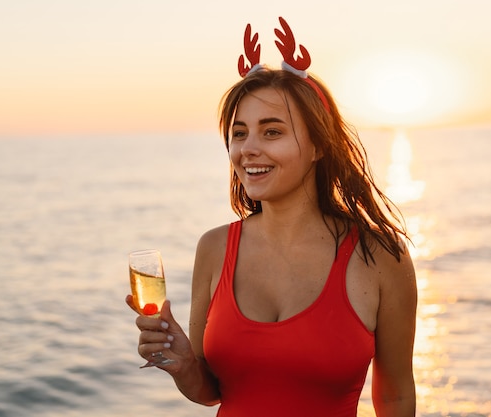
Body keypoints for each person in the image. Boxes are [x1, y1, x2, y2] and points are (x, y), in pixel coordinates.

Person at [126, 17, 417, 417]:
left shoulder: (380, 256)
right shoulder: (214, 248)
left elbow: (396, 396)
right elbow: (211, 390)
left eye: (272, 131)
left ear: (318, 145)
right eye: (239, 132)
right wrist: (182, 364)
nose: (248, 149)